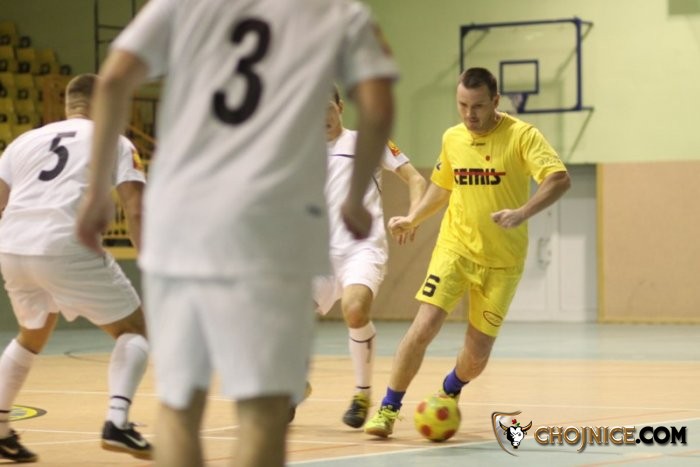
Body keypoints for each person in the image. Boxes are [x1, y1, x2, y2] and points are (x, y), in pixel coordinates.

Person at [74, 0, 398, 466]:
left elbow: (113, 82)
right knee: (263, 412)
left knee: (180, 407)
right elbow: (380, 102)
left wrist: (95, 194)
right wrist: (354, 198)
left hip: (183, 213)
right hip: (270, 221)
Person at [364, 67, 571, 438]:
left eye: (477, 106)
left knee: (476, 356)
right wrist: (413, 218)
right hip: (455, 248)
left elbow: (559, 179)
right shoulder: (453, 138)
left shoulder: (522, 136)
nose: (469, 114)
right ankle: (388, 408)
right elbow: (443, 187)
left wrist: (523, 212)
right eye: (462, 105)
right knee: (424, 325)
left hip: (503, 263)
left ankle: (450, 389)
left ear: (495, 101)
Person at [0, 73, 151, 462]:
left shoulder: (22, 142)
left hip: (13, 246)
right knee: (135, 330)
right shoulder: (114, 140)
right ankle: (117, 421)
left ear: (70, 104)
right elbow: (135, 209)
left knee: (31, 335)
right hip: (65, 242)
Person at [312, 86, 426, 428]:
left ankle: (362, 393)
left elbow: (415, 179)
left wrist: (413, 216)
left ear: (340, 106)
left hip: (361, 248)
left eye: (327, 106)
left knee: (355, 308)